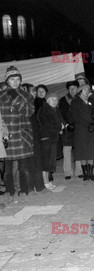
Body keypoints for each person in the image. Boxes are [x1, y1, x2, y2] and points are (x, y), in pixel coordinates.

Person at [0, 66, 35, 201]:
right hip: (7, 137)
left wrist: (15, 97)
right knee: (8, 169)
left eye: (17, 79)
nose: (15, 82)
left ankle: (25, 191)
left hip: (22, 136)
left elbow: (28, 112)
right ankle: (10, 192)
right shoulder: (1, 96)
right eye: (12, 79)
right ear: (7, 81)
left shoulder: (27, 96)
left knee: (23, 168)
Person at [70, 84, 94, 180]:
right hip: (81, 129)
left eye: (88, 89)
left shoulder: (92, 101)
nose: (87, 91)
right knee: (83, 151)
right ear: (80, 91)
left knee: (91, 150)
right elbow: (75, 116)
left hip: (92, 129)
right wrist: (87, 124)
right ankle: (85, 173)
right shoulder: (75, 102)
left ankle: (91, 173)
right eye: (85, 89)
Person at [37, 92, 65, 190]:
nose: (54, 101)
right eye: (52, 99)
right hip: (46, 138)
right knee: (46, 161)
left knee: (50, 161)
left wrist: (62, 126)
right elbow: (46, 124)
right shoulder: (44, 110)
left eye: (56, 99)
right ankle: (45, 182)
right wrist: (59, 127)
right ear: (47, 100)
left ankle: (48, 181)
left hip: (53, 138)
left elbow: (61, 121)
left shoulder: (54, 110)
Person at [59, 80, 82, 179]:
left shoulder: (81, 99)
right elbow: (60, 114)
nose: (72, 90)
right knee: (67, 150)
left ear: (77, 89)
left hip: (78, 128)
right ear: (68, 90)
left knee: (78, 150)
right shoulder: (63, 100)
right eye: (70, 88)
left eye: (74, 88)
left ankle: (79, 171)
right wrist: (66, 124)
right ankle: (67, 172)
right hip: (67, 129)